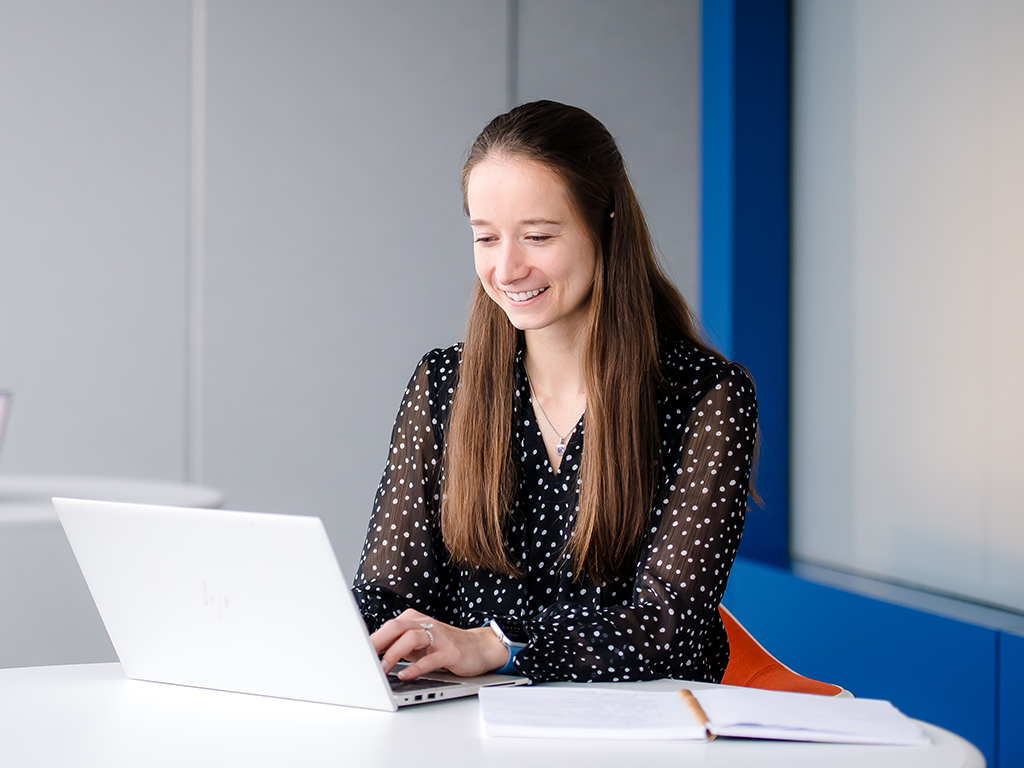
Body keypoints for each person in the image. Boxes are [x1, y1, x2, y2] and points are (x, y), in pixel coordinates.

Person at [353, 100, 757, 685]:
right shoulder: (445, 384)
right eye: (486, 238)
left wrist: (499, 644)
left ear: (606, 223)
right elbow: (391, 592)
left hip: (643, 728)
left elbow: (670, 627)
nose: (507, 269)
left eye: (537, 236)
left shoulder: (706, 397)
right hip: (470, 723)